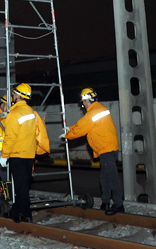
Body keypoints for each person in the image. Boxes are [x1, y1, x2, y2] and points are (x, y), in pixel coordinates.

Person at [61, 87, 123, 215]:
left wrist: (68, 134)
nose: (83, 105)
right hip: (107, 148)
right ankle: (105, 202)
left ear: (87, 100)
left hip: (106, 149)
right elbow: (84, 125)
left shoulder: (93, 113)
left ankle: (118, 205)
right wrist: (70, 128)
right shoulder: (99, 109)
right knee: (105, 177)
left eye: (83, 102)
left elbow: (82, 128)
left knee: (111, 178)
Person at [0, 83, 37, 222]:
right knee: (24, 185)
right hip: (29, 154)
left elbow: (10, 137)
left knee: (21, 188)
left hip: (17, 155)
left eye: (14, 93)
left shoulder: (14, 113)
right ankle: (15, 212)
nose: (13, 95)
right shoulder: (31, 112)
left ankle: (27, 215)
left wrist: (4, 156)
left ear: (18, 95)